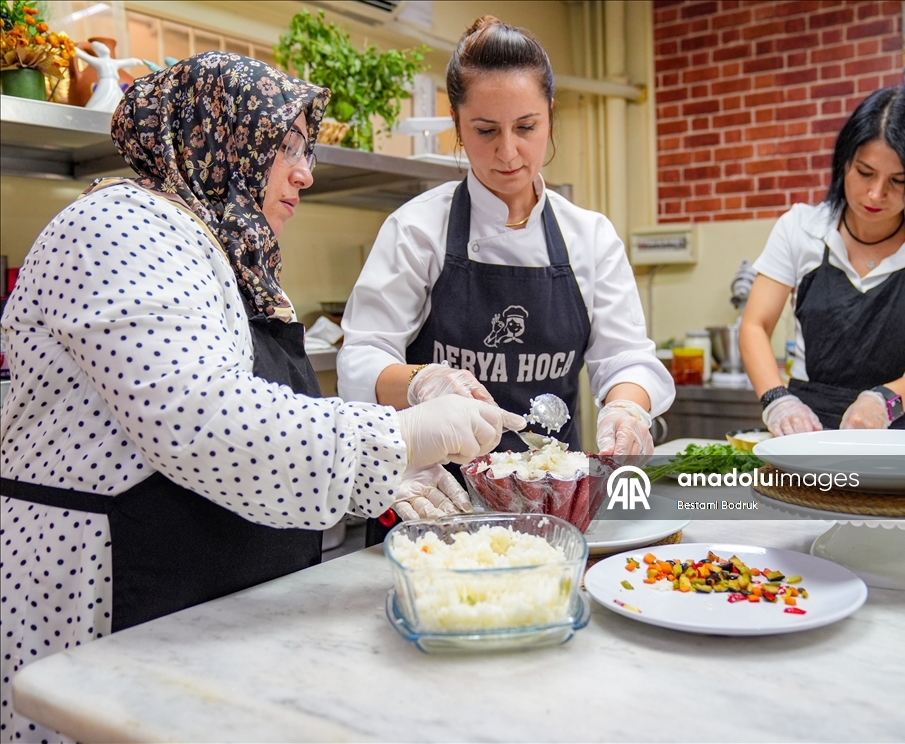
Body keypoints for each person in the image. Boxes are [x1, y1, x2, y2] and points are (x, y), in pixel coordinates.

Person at [0, 53, 523, 743]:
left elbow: (255, 416)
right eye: (288, 146)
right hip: (99, 597)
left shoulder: (221, 247)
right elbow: (202, 420)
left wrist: (378, 477)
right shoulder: (120, 227)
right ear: (219, 131)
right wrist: (399, 439)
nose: (305, 172)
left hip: (192, 609)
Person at [337, 17, 674, 541]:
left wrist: (628, 407)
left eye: (526, 126)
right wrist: (423, 380)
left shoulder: (590, 236)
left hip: (552, 507)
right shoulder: (417, 229)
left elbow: (626, 357)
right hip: (432, 500)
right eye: (485, 130)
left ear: (550, 117)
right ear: (457, 122)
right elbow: (360, 358)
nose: (508, 152)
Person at [739, 86, 905, 435]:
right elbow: (754, 325)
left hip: (901, 428)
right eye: (865, 172)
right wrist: (778, 401)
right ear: (845, 161)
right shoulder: (800, 228)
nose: (875, 194)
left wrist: (883, 401)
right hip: (805, 431)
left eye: (898, 181)